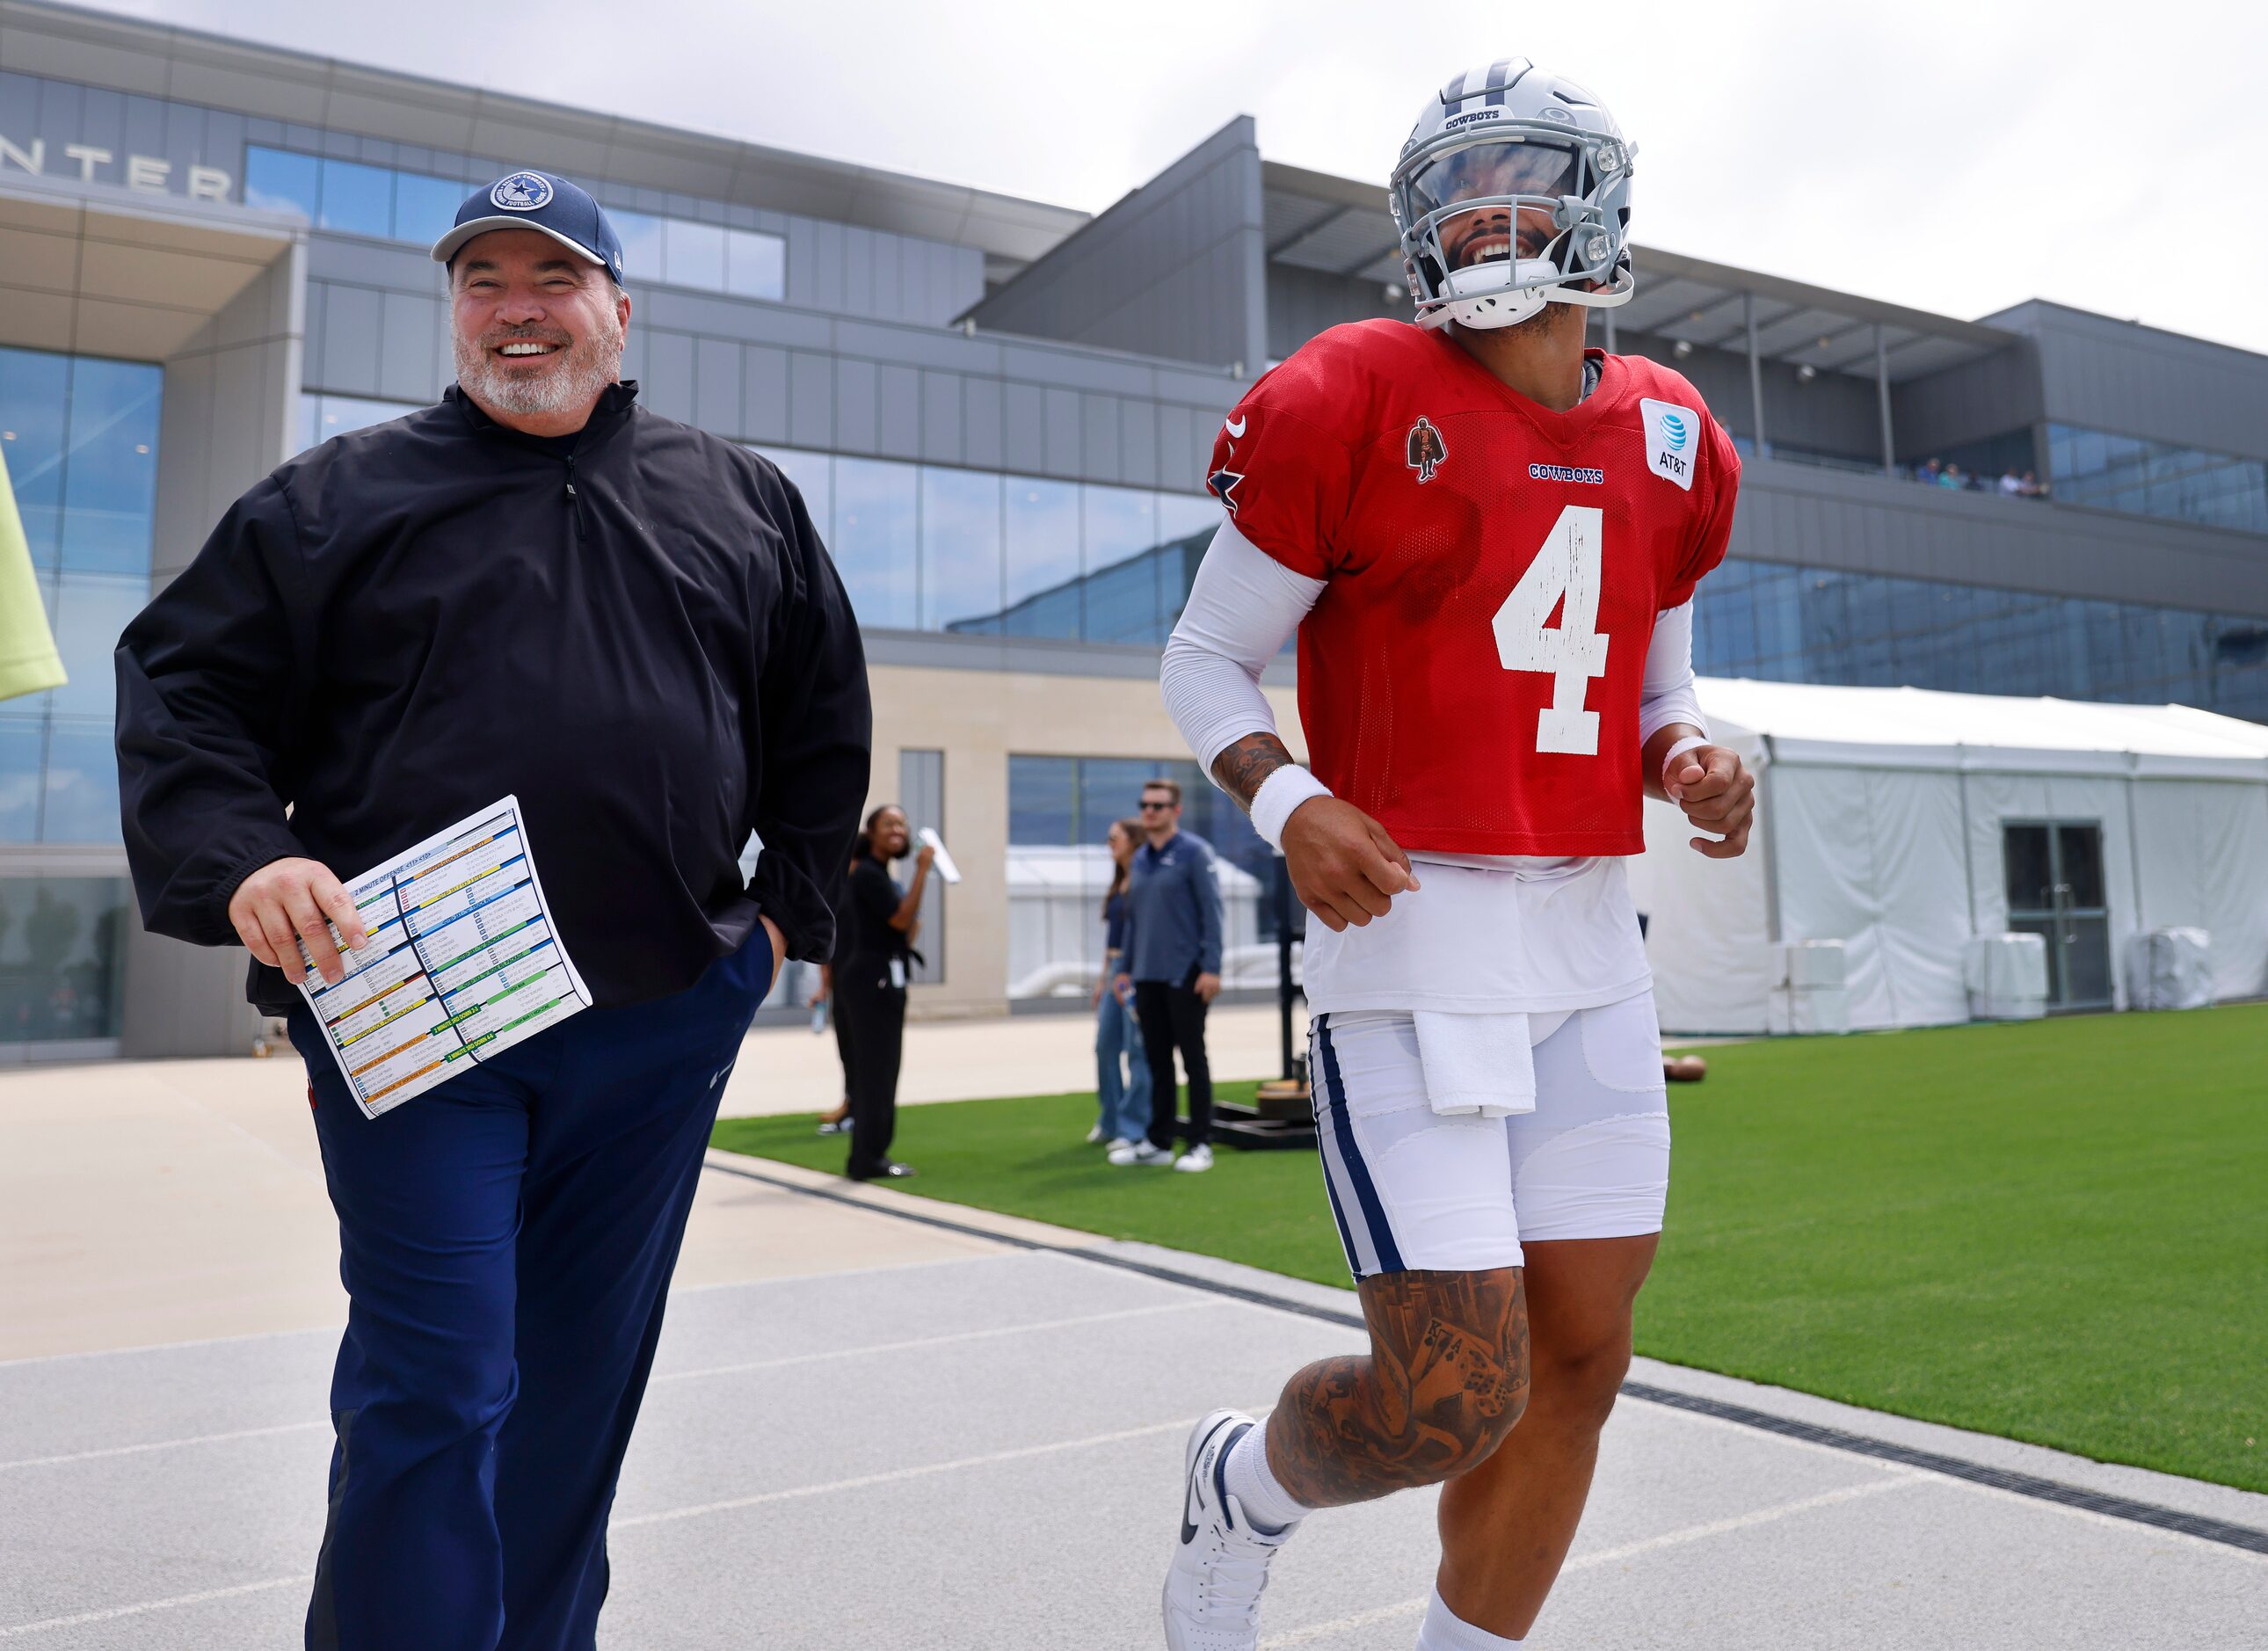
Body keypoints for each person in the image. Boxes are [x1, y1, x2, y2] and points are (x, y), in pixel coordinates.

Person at [113, 170, 870, 1651]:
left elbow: (819, 721)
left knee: (578, 1385)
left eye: (551, 279)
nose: (517, 313)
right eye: (483, 283)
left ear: (616, 308)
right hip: (414, 1015)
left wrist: (783, 927)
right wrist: (241, 858)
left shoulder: (741, 497)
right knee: (440, 1376)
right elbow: (186, 685)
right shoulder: (332, 500)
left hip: (656, 1020)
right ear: (455, 310)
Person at [1152, 62, 1755, 1651]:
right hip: (1411, 946)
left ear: (1597, 202)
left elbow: (1652, 682)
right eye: (1459, 187)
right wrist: (1289, 800)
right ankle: (1244, 1486)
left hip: (1589, 945)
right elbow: (1206, 656)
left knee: (1578, 1368)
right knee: (1447, 1393)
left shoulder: (1675, 432)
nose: (1491, 216)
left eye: (1522, 180)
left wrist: (1684, 756)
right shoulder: (1348, 389)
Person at [1109, 779, 1225, 1173]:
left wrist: (1212, 967)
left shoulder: (1195, 853)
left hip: (1186, 973)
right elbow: (1133, 920)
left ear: (1175, 810)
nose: (1150, 811)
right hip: (1146, 975)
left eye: (1158, 805)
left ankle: (1200, 1143)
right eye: (1145, 805)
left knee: (1193, 1059)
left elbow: (1213, 913)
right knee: (1156, 1060)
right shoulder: (1140, 859)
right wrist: (1124, 969)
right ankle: (1158, 1142)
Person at [838, 804, 933, 1181]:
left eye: (903, 824)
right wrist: (923, 870)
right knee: (878, 1071)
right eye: (890, 824)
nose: (899, 830)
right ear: (871, 831)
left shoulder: (874, 876)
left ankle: (867, 1155)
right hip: (873, 984)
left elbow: (901, 928)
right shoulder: (870, 876)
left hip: (869, 981)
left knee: (874, 1071)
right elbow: (901, 919)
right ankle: (868, 1157)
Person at [1090, 816, 1153, 1149]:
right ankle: (1110, 1119)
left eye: (1115, 838)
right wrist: (1103, 980)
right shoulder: (1119, 882)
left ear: (1133, 840)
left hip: (1136, 972)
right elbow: (1110, 938)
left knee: (1137, 1051)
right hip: (1115, 968)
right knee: (1104, 1046)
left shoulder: (1145, 878)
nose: (1110, 844)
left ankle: (1134, 1128)